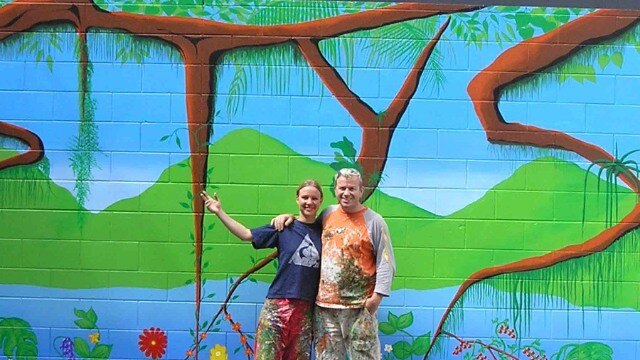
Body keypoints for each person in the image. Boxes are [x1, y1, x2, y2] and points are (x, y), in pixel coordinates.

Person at [274, 168, 396, 359]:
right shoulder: (328, 214)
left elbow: (386, 262)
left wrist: (376, 299)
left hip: (359, 308)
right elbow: (306, 228)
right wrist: (288, 218)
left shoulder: (374, 221)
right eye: (342, 188)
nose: (346, 193)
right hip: (325, 309)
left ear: (361, 190)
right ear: (335, 189)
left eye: (351, 188)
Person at [200, 179, 323, 360]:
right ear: (297, 199)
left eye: (314, 198)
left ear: (321, 201)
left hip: (305, 311)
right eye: (305, 197)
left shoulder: (325, 231)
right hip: (277, 307)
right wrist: (219, 212)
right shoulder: (284, 227)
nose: (309, 202)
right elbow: (246, 234)